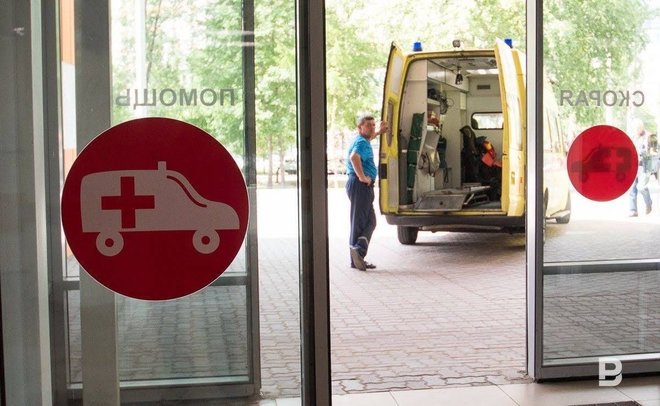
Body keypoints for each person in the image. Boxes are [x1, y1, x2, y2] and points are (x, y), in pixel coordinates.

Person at [346, 115, 388, 271]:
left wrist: (379, 132)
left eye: (373, 125)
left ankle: (358, 253)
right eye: (368, 125)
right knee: (359, 223)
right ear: (359, 128)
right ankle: (357, 254)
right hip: (361, 185)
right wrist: (362, 177)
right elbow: (354, 157)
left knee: (370, 221)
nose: (372, 127)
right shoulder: (362, 143)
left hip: (362, 186)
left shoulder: (363, 140)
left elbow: (369, 137)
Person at [628, 119, 652, 217]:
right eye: (635, 128)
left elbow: (654, 151)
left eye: (637, 128)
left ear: (642, 127)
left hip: (645, 166)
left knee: (641, 187)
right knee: (632, 188)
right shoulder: (632, 137)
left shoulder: (650, 136)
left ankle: (648, 202)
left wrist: (642, 153)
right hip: (633, 166)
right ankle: (633, 210)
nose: (636, 130)